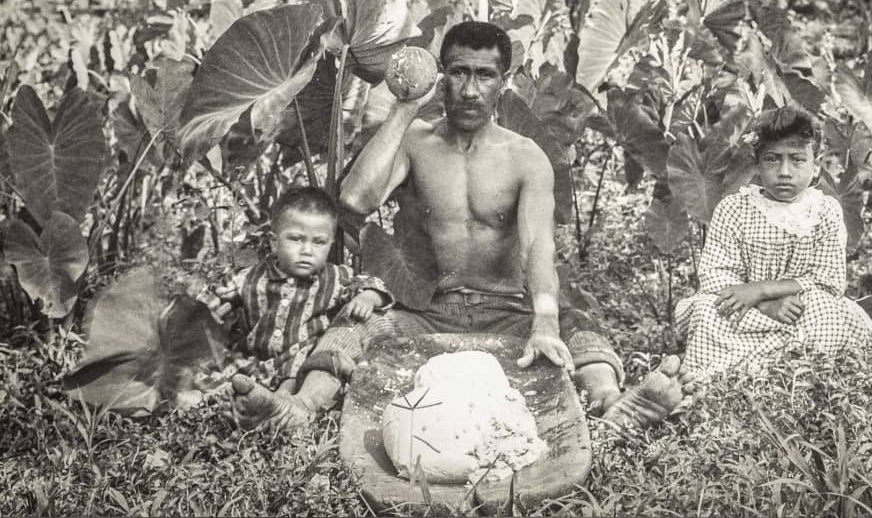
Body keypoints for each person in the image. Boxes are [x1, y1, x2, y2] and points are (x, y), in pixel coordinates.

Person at [231, 21, 684, 430]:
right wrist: (406, 108)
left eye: (484, 75)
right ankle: (300, 408)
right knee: (351, 330)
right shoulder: (414, 142)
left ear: (503, 83)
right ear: (441, 76)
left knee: (578, 327)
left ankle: (612, 402)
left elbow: (539, 246)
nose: (470, 90)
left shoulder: (525, 157)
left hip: (508, 310)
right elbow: (354, 200)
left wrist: (544, 321)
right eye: (459, 72)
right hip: (427, 311)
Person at [674, 106, 872, 379]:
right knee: (706, 313)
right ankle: (721, 380)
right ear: (757, 165)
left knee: (827, 311)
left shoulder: (824, 209)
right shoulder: (734, 208)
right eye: (772, 159)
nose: (785, 172)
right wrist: (762, 303)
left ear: (815, 164)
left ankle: (792, 376)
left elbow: (828, 279)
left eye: (797, 160)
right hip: (745, 310)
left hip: (801, 309)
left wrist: (764, 289)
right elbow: (715, 275)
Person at [189, 186, 393, 408]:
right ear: (274, 242)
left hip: (299, 368)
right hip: (253, 362)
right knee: (212, 365)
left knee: (311, 360)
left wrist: (369, 297)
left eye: (319, 242)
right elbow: (207, 303)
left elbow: (372, 283)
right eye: (296, 239)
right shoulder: (249, 278)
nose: (307, 250)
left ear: (331, 243)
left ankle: (281, 402)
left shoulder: (335, 277)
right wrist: (208, 308)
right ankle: (222, 397)